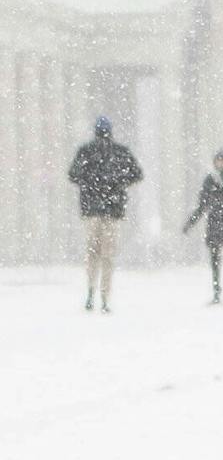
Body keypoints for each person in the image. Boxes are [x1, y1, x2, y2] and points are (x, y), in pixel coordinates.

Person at [68, 116, 144, 314]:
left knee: (93, 252)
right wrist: (116, 183)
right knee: (107, 256)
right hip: (112, 211)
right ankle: (104, 296)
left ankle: (92, 290)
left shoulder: (86, 152)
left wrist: (91, 183)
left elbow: (73, 175)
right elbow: (137, 174)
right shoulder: (120, 153)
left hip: (92, 211)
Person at [183, 151, 223, 304]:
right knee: (215, 261)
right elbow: (202, 206)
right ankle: (217, 292)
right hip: (215, 225)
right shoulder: (210, 180)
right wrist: (190, 223)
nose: (219, 163)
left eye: (221, 160)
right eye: (217, 160)